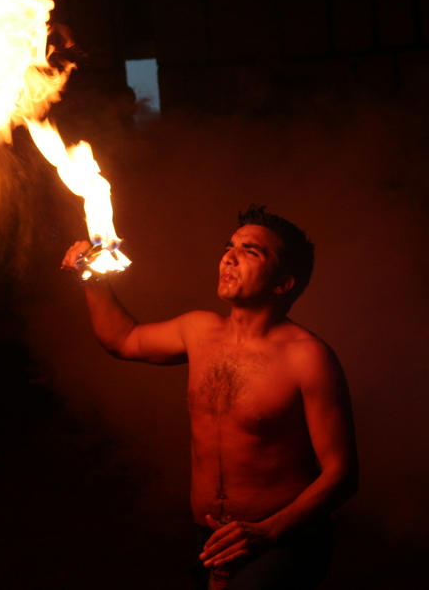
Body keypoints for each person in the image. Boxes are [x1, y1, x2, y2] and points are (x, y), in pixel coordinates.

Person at [61, 206, 357, 589]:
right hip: (211, 539)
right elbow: (122, 339)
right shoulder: (198, 330)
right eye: (230, 246)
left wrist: (267, 532)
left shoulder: (308, 357)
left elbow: (342, 475)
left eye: (251, 252)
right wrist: (92, 278)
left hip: (284, 538)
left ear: (283, 283)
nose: (228, 257)